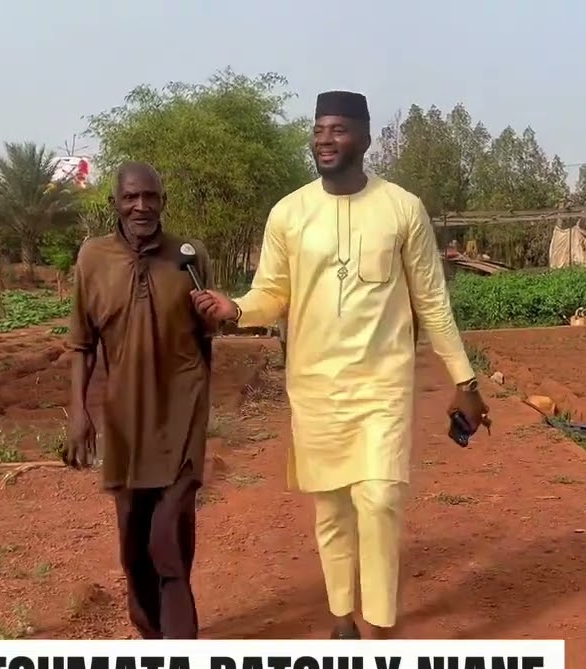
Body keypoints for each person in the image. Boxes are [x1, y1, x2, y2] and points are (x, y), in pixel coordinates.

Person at [190, 90, 490, 639]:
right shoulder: (290, 212)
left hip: (383, 386)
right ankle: (341, 616)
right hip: (315, 388)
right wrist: (236, 308)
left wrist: (463, 380)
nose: (325, 140)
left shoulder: (402, 208)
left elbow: (432, 303)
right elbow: (271, 293)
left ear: (366, 137)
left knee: (379, 498)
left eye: (338, 130)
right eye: (319, 130)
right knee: (331, 509)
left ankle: (378, 623)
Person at [63, 161, 215, 640]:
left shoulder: (189, 257)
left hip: (182, 415)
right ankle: (152, 636)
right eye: (131, 197)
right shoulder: (93, 259)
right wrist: (78, 414)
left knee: (168, 536)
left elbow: (208, 336)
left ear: (162, 202)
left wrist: (220, 314)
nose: (141, 206)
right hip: (125, 423)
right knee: (133, 547)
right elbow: (82, 344)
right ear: (116, 204)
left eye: (150, 197)